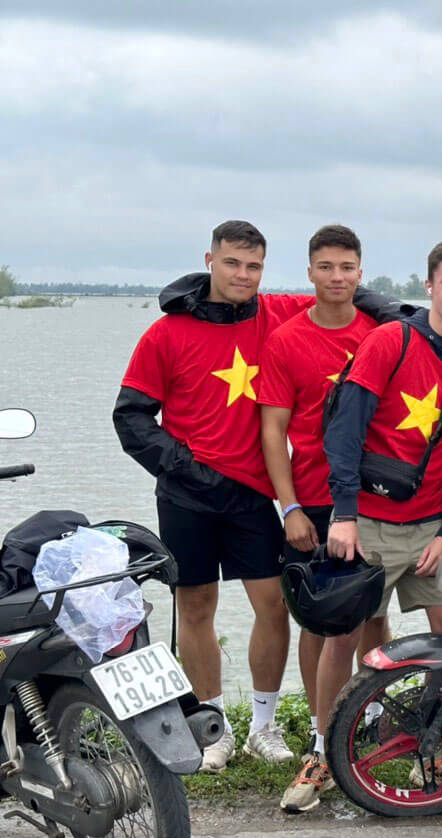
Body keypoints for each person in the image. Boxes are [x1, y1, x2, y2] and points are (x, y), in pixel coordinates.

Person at [115, 220, 315, 772]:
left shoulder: (278, 315)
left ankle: (264, 726)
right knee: (196, 606)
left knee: (273, 605)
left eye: (254, 266)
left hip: (253, 493)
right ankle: (212, 728)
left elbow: (344, 299)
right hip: (187, 493)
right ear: (210, 261)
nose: (243, 275)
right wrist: (187, 468)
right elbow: (131, 419)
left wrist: (433, 311)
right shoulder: (166, 333)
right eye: (232, 263)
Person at [323, 238, 442, 657]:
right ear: (429, 285)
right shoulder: (389, 341)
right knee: (343, 638)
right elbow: (345, 432)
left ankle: (435, 704)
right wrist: (343, 515)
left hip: (430, 524)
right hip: (367, 520)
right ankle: (335, 708)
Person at [257, 224, 378, 812]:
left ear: (360, 272)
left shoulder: (380, 333)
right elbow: (273, 431)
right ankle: (320, 727)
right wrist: (290, 508)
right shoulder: (286, 340)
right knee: (320, 618)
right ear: (309, 272)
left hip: (371, 498)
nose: (336, 277)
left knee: (372, 611)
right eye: (326, 266)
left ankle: (370, 715)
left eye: (346, 267)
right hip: (312, 499)